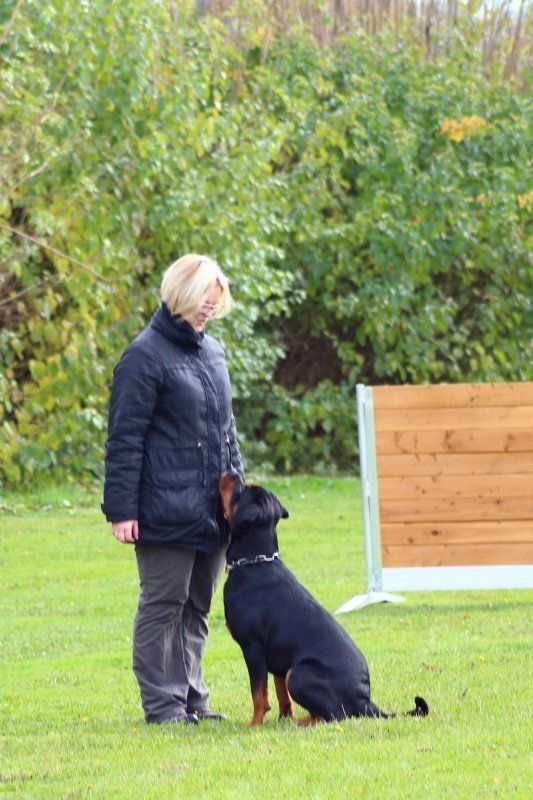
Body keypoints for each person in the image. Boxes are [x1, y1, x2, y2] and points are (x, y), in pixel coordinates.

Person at [101, 253, 244, 725]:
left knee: (198, 606)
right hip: (164, 507)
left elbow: (227, 431)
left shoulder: (213, 352)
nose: (210, 309)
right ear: (181, 293)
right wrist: (122, 510)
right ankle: (164, 705)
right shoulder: (143, 357)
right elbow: (125, 438)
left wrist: (239, 498)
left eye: (215, 302)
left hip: (211, 508)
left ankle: (193, 700)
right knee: (164, 606)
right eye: (205, 299)